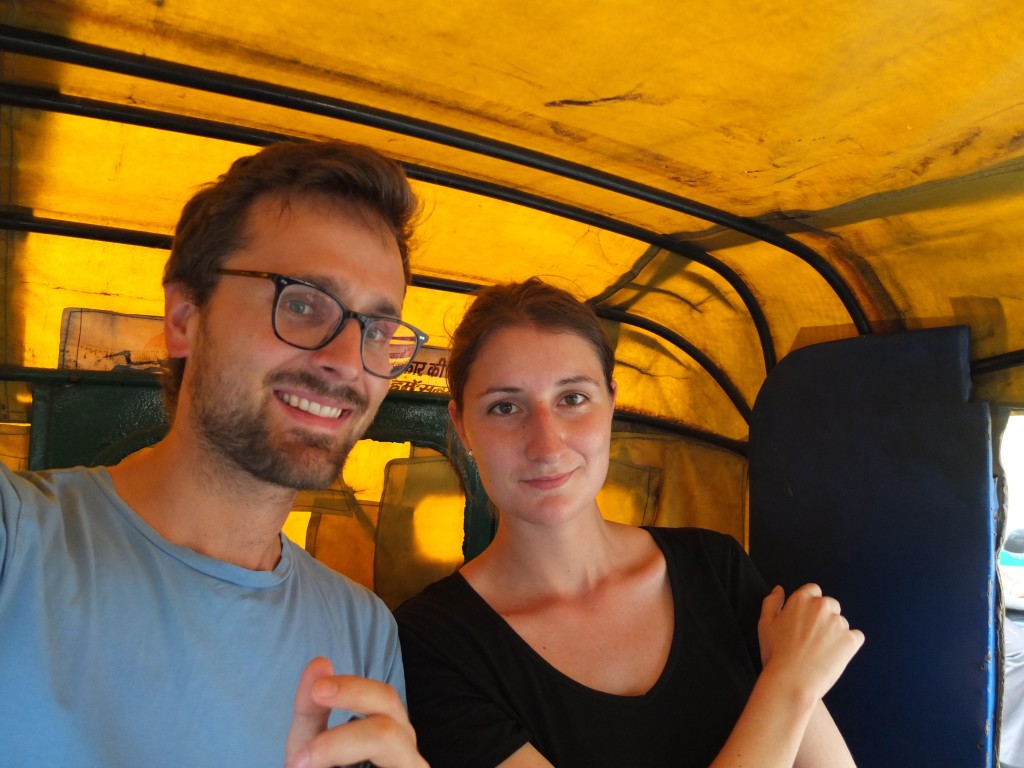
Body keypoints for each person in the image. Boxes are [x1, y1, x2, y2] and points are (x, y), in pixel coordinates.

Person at [0, 141, 430, 768]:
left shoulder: (363, 631)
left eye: (377, 330)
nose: (346, 361)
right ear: (183, 317)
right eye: (301, 304)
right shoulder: (19, 543)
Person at [394, 278, 865, 768]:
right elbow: (791, 699)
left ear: (612, 404)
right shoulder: (431, 643)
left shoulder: (716, 568)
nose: (547, 445)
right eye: (505, 407)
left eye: (572, 398)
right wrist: (789, 685)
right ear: (461, 427)